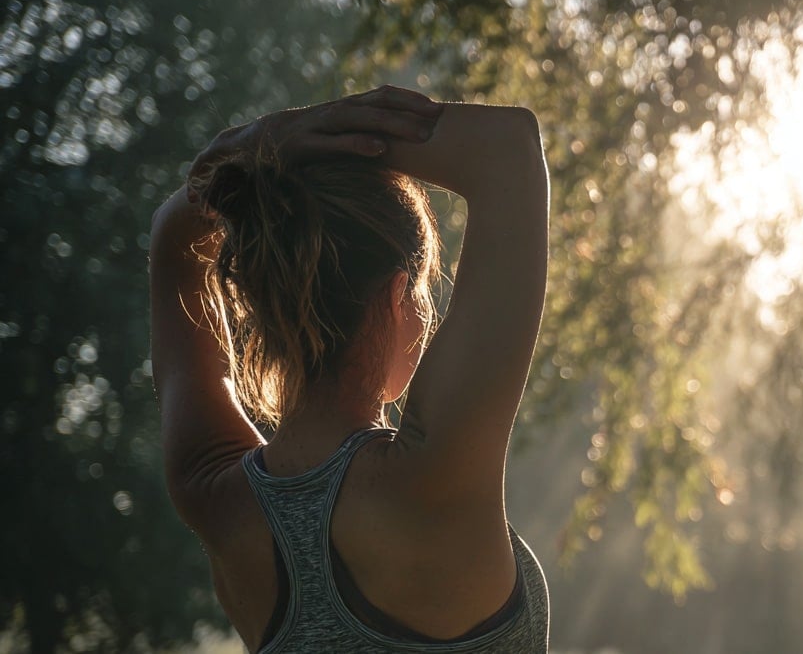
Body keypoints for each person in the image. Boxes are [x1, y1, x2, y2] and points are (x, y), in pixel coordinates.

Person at [148, 85, 550, 653]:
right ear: (395, 296)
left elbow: (172, 234)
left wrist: (271, 142)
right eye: (423, 292)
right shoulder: (430, 477)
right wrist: (260, 151)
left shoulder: (211, 492)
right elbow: (510, 147)